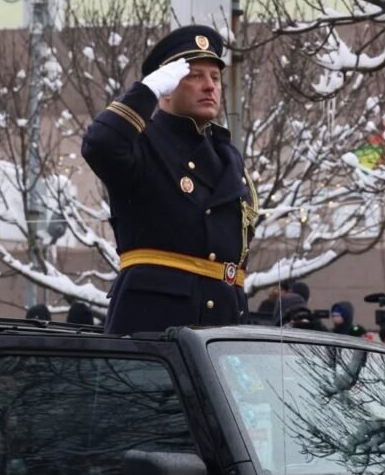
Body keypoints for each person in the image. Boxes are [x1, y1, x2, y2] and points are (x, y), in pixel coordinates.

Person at [81, 25, 259, 334]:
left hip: (222, 323)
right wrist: (145, 92)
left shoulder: (227, 157)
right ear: (167, 87)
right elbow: (100, 145)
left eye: (215, 78)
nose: (210, 86)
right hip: (154, 324)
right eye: (194, 76)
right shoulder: (143, 143)